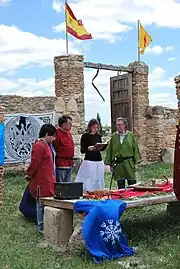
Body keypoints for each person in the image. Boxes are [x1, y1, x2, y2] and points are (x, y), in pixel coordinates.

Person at [25, 124, 57, 233]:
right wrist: (29, 175)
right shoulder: (39, 146)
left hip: (48, 178)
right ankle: (41, 227)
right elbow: (35, 163)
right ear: (47, 134)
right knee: (40, 203)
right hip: (41, 180)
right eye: (53, 136)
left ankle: (46, 224)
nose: (54, 139)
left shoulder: (46, 145)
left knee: (45, 202)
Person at [104, 117, 142, 189]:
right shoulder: (114, 136)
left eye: (120, 125)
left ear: (124, 125)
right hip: (118, 164)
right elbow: (110, 150)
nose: (118, 126)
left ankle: (132, 198)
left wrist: (136, 163)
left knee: (132, 184)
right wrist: (110, 164)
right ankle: (121, 198)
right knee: (120, 184)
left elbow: (135, 148)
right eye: (117, 125)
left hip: (129, 162)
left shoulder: (131, 135)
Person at [75, 119, 107, 191]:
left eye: (97, 128)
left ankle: (98, 191)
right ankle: (88, 191)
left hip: (98, 160)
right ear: (90, 127)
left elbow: (101, 149)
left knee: (98, 178)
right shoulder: (85, 136)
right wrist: (88, 148)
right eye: (94, 127)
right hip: (89, 160)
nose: (95, 129)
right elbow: (82, 150)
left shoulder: (98, 136)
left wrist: (103, 146)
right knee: (89, 179)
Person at [53, 115, 74, 183]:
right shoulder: (57, 134)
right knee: (60, 186)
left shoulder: (69, 134)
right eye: (69, 124)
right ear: (63, 124)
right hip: (61, 164)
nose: (71, 125)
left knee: (68, 186)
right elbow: (54, 147)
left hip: (69, 163)